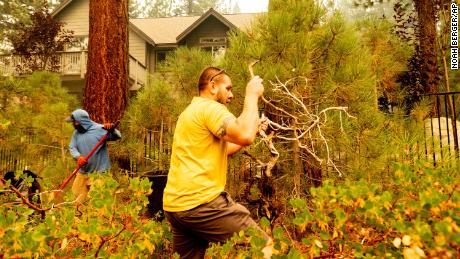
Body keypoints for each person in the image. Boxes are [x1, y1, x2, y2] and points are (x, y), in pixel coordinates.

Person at [163, 67, 273, 259]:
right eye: (228, 88)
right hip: (201, 204)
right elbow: (244, 135)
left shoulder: (190, 112)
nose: (230, 95)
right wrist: (251, 94)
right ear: (213, 86)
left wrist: (253, 129)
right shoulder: (210, 108)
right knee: (263, 246)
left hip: (177, 208)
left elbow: (227, 148)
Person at [66, 109, 121, 204]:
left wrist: (112, 130)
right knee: (76, 197)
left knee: (96, 201)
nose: (73, 124)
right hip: (83, 172)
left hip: (99, 173)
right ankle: (79, 216)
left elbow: (118, 136)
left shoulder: (100, 129)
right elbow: (72, 147)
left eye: (74, 122)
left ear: (80, 122)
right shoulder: (76, 133)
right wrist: (78, 157)